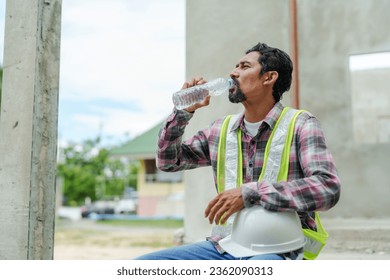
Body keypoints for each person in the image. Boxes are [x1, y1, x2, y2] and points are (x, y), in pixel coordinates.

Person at [135, 42, 341, 260]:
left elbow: (327, 188)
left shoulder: (301, 125)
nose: (233, 73)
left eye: (244, 67)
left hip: (280, 248)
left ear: (269, 77)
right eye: (236, 67)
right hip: (225, 246)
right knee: (143, 266)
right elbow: (168, 161)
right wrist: (182, 113)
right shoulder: (220, 130)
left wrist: (252, 193)